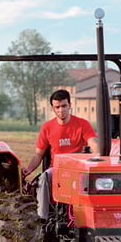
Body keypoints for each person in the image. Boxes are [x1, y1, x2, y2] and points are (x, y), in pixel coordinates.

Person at [22, 89, 98, 219]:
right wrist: (28, 169)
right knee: (44, 177)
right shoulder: (47, 127)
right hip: (57, 170)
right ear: (53, 108)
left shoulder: (82, 124)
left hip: (78, 169)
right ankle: (42, 217)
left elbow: (94, 144)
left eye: (64, 106)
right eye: (57, 107)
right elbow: (38, 155)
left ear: (70, 105)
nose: (61, 110)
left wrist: (99, 154)